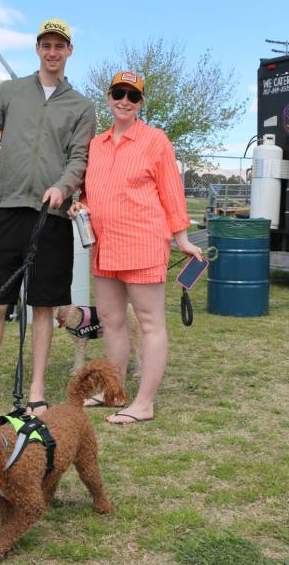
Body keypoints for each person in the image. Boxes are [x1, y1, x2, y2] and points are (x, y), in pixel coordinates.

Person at [0, 18, 96, 417]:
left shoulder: (81, 106)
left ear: (69, 51)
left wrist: (63, 187)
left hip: (51, 218)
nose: (52, 52)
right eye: (46, 45)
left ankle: (37, 387)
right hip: (7, 210)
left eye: (60, 46)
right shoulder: (10, 92)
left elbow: (79, 158)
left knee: (42, 307)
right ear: (37, 48)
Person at [68, 71, 203, 426]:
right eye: (118, 93)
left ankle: (144, 403)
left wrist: (182, 238)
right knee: (111, 321)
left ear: (141, 102)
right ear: (109, 96)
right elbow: (90, 190)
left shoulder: (155, 141)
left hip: (142, 243)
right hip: (104, 246)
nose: (124, 101)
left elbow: (171, 191)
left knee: (149, 323)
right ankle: (115, 391)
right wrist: (80, 204)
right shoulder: (95, 144)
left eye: (132, 96)